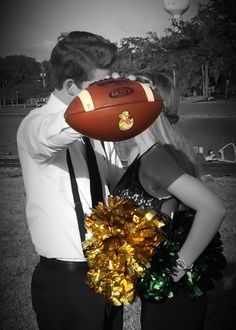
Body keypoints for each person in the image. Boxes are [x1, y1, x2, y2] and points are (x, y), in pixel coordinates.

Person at [17, 31, 124, 330]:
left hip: (108, 268)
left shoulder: (97, 128)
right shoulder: (36, 125)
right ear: (69, 86)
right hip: (67, 281)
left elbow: (115, 179)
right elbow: (57, 132)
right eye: (101, 84)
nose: (112, 88)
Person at [113, 73, 226, 330]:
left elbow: (213, 208)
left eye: (130, 98)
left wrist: (177, 269)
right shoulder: (144, 152)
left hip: (173, 296)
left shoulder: (156, 158)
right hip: (163, 294)